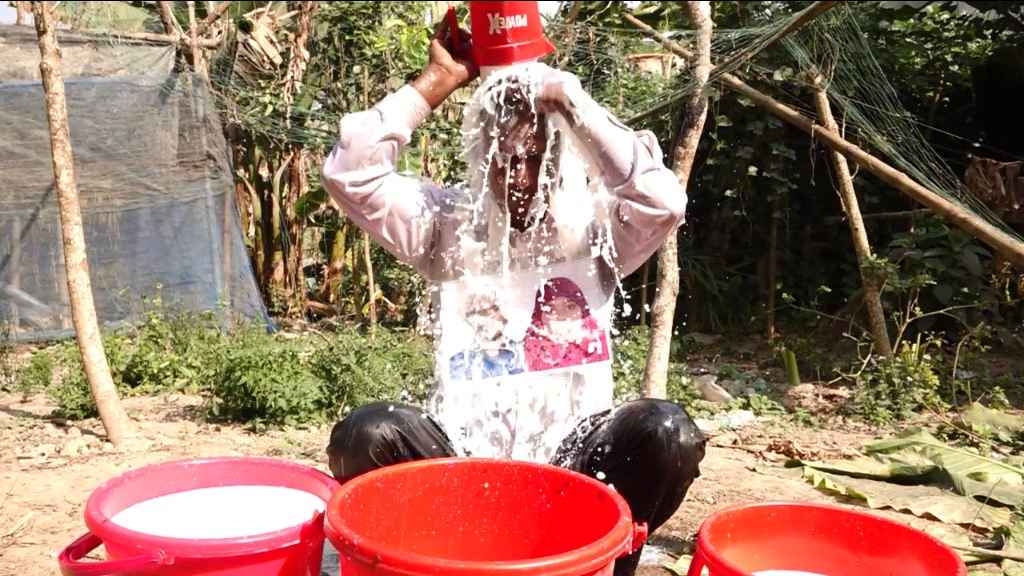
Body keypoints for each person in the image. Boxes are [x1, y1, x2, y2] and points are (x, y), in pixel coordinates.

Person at [322, 16, 705, 576]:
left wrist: (573, 104)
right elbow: (351, 176)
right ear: (483, 156)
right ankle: (435, 564)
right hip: (463, 470)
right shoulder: (446, 227)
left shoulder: (594, 230)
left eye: (533, 157)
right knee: (368, 433)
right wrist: (435, 82)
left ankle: (607, 561)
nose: (519, 175)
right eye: (504, 158)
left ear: (559, 154)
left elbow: (663, 201)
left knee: (667, 432)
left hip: (576, 475)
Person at [523, 276, 609, 371]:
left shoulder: (602, 343)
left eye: (570, 307)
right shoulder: (524, 355)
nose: (561, 316)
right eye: (550, 310)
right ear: (539, 318)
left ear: (583, 312)